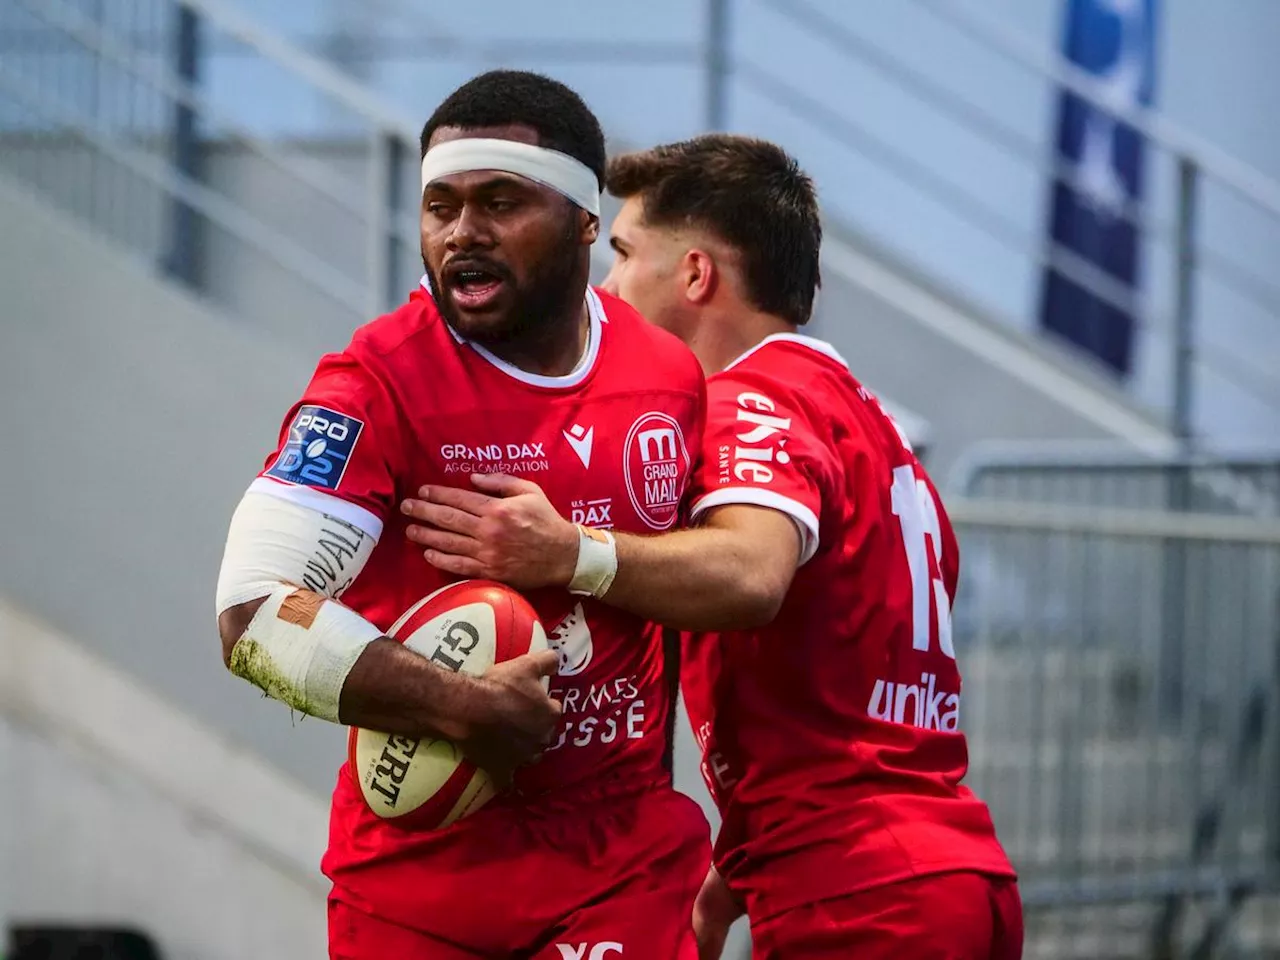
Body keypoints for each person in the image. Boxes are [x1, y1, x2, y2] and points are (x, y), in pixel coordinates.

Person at [401, 134, 1023, 960]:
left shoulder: (750, 398)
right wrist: (733, 868)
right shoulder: (873, 429)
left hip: (860, 896)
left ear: (696, 276)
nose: (607, 287)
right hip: (946, 872)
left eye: (622, 255)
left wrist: (569, 553)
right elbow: (852, 701)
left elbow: (752, 572)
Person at [215, 71, 710, 960]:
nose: (463, 233)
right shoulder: (374, 384)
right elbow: (252, 614)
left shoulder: (668, 375)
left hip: (618, 865)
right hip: (420, 879)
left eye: (502, 201)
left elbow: (709, 587)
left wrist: (577, 556)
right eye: (440, 206)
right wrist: (459, 706)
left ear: (586, 222)